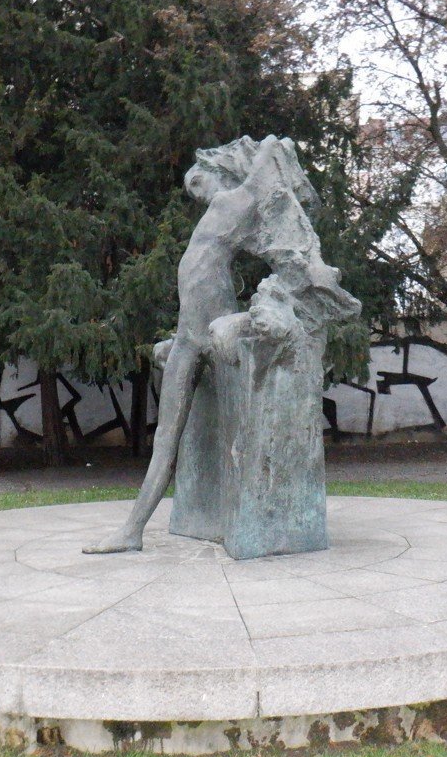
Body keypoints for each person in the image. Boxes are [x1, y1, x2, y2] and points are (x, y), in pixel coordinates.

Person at [83, 135, 357, 553]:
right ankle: (132, 530)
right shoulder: (218, 211)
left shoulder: (233, 202)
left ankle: (249, 511)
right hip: (188, 339)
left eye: (198, 183)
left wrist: (268, 145)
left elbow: (267, 158)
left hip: (215, 334)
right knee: (165, 438)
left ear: (220, 173)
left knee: (241, 418)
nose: (198, 195)